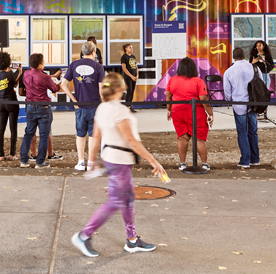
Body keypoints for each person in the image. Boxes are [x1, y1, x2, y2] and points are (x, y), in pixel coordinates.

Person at [71, 74, 167, 258]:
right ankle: (84, 235)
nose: (125, 89)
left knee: (127, 199)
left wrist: (91, 160)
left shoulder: (102, 108)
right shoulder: (120, 110)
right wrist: (153, 161)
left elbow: (95, 136)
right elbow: (131, 140)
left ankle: (132, 240)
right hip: (120, 160)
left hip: (111, 158)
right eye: (123, 87)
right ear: (118, 89)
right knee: (117, 201)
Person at [60, 41, 105, 171]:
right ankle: (91, 163)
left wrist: (74, 100)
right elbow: (101, 88)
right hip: (95, 106)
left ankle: (80, 162)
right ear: (94, 52)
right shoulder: (98, 67)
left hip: (79, 106)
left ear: (82, 52)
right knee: (92, 135)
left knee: (80, 134)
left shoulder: (73, 65)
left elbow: (63, 84)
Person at [166, 57, 213, 171]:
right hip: (195, 112)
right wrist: (210, 114)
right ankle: (204, 164)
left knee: (182, 138)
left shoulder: (172, 80)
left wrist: (169, 110)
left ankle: (182, 164)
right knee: (199, 139)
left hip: (177, 112)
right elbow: (204, 100)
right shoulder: (198, 81)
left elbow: (168, 96)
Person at [20, 53, 62, 168]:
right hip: (43, 108)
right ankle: (40, 162)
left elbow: (39, 79)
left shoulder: (26, 74)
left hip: (29, 106)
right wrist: (62, 81)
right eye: (43, 62)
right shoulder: (45, 77)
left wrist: (52, 76)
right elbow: (55, 88)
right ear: (39, 65)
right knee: (44, 135)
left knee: (28, 133)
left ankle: (23, 160)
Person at [222, 47, 258, 169]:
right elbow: (261, 84)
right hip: (253, 104)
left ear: (233, 57)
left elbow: (227, 92)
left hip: (239, 104)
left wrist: (230, 100)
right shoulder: (254, 67)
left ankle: (245, 160)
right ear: (244, 56)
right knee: (253, 131)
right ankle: (255, 158)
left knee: (242, 132)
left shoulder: (229, 71)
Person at [0, 50, 20, 161]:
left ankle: (1, 155)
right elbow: (15, 84)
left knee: (1, 129)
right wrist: (19, 73)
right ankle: (12, 154)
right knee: (13, 129)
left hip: (0, 103)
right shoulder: (9, 74)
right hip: (11, 102)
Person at [119, 44, 138, 112]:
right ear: (126, 49)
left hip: (134, 76)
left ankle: (130, 106)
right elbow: (124, 68)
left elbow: (136, 67)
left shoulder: (133, 57)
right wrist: (131, 76)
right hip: (128, 76)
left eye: (132, 47)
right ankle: (127, 106)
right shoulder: (124, 57)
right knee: (129, 91)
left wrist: (136, 75)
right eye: (130, 47)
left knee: (132, 91)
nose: (131, 49)